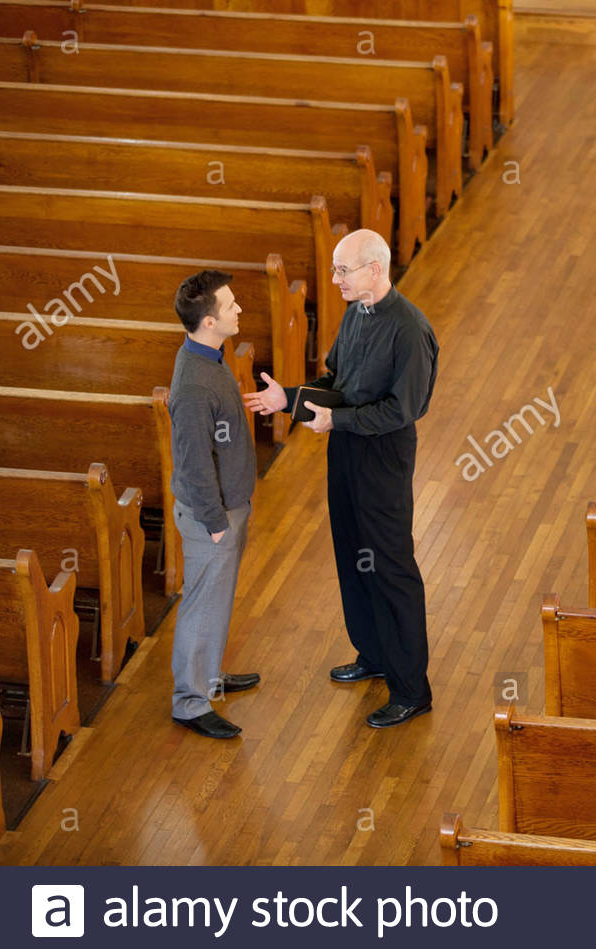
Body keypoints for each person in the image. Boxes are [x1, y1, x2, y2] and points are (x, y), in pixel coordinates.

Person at [244, 229, 439, 729]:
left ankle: (412, 689)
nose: (334, 280)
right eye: (335, 270)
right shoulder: (357, 313)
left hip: (383, 460)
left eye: (342, 270)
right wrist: (288, 398)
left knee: (391, 566)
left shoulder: (410, 329)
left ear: (375, 269)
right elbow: (338, 383)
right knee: (354, 555)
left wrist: (339, 421)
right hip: (345, 452)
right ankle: (374, 653)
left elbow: (405, 408)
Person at [168, 270, 261, 740]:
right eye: (229, 306)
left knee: (215, 603)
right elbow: (193, 463)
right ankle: (190, 701)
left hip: (225, 509)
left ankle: (208, 677)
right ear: (208, 322)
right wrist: (216, 523)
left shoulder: (208, 355)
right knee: (203, 606)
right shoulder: (193, 386)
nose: (238, 309)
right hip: (212, 517)